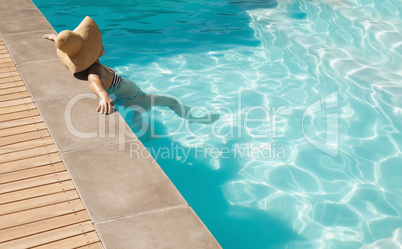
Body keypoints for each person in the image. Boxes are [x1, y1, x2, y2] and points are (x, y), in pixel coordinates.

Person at [44, 16, 219, 126]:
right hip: (133, 98)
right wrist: (103, 95)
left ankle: (144, 129)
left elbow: (68, 49)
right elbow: (93, 80)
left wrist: (55, 38)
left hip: (128, 98)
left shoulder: (90, 65)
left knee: (140, 111)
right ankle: (195, 119)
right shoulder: (95, 69)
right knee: (171, 101)